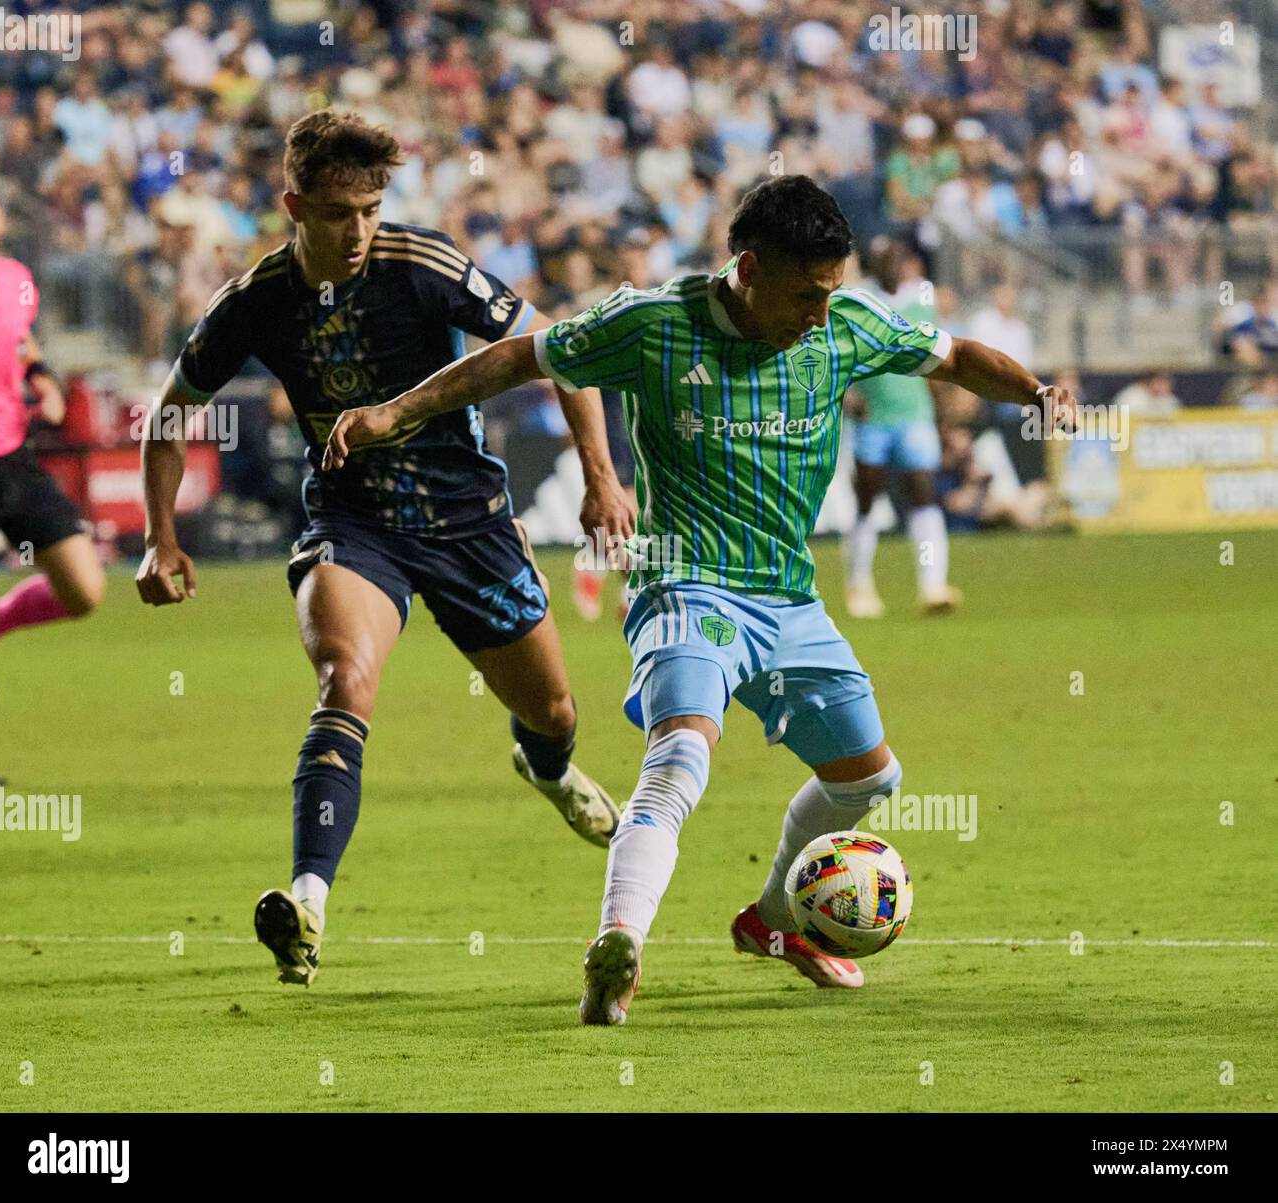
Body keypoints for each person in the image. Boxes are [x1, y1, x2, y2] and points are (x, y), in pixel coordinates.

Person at [323, 175, 1077, 1025]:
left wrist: (1036, 392)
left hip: (791, 600)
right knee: (682, 754)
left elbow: (956, 356)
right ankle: (619, 943)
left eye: (831, 292)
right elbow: (515, 358)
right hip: (686, 585)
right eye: (804, 294)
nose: (820, 314)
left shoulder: (851, 323)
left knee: (871, 780)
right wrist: (395, 412)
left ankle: (775, 921)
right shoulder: (651, 324)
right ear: (748, 268)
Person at [136, 110, 634, 987]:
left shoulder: (425, 264)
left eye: (371, 207)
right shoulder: (255, 300)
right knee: (344, 679)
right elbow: (171, 413)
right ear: (295, 204)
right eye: (337, 212)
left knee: (553, 713)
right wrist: (159, 536)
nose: (359, 229)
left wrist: (601, 479)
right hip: (353, 524)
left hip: (470, 524)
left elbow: (559, 351)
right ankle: (308, 904)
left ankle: (549, 772)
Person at [0, 171, 106, 783]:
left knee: (84, 590)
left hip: (14, 461)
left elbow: (21, 344)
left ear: (1, 223)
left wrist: (44, 381)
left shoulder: (15, 282)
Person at [844, 240, 960, 618]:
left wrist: (945, 415)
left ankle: (933, 585)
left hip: (915, 415)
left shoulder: (922, 299)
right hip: (873, 417)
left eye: (895, 258)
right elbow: (841, 357)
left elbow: (937, 359)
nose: (891, 266)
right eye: (882, 259)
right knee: (867, 499)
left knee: (924, 493)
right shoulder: (858, 303)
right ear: (872, 265)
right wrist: (847, 397)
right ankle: (858, 584)